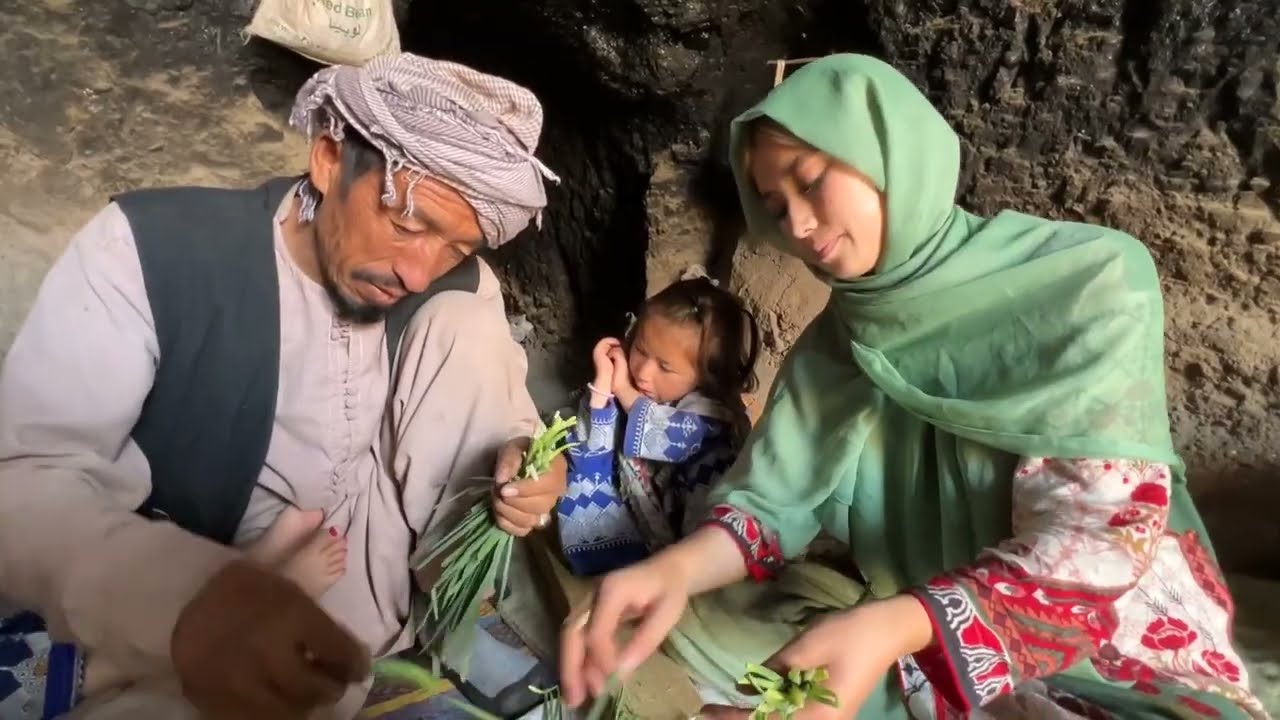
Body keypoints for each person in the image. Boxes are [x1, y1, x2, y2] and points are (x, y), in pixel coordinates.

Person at [559, 54, 1268, 720]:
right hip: (911, 628)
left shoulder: (1091, 280)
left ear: (887, 151)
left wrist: (896, 626)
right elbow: (768, 502)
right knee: (695, 641)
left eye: (812, 179)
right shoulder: (840, 342)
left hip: (1105, 647)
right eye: (776, 207)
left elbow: (1098, 538)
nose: (801, 226)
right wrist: (676, 571)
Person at [0, 53, 566, 720]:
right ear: (328, 160)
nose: (419, 271)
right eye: (408, 225)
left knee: (463, 320)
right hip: (175, 575)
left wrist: (527, 467)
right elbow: (28, 480)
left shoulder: (456, 297)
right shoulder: (149, 251)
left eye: (454, 247)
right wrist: (188, 600)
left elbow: (505, 431)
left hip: (361, 579)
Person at [555, 276, 760, 575]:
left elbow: (670, 435)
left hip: (697, 538)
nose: (643, 373)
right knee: (579, 460)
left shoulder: (714, 414)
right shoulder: (643, 392)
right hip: (652, 519)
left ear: (706, 375)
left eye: (665, 367)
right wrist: (603, 387)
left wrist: (624, 391)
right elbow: (592, 438)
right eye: (639, 350)